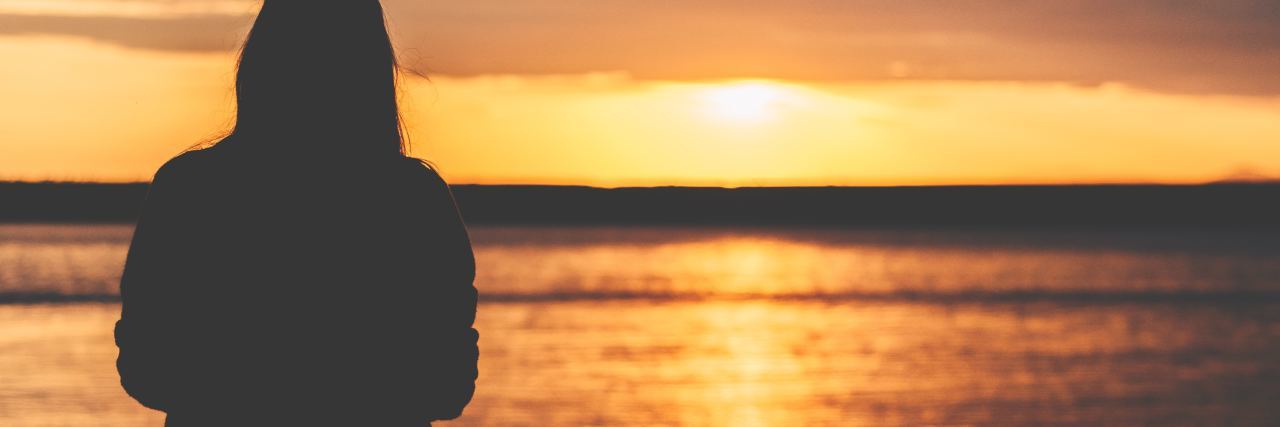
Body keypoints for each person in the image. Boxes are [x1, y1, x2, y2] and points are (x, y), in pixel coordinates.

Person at [113, 1, 478, 425]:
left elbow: (146, 368)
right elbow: (447, 386)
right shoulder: (414, 200)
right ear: (373, 68)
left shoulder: (190, 189)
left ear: (261, 59)